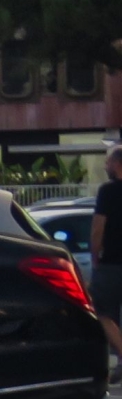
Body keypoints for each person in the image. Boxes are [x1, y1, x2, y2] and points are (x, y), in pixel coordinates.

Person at [91, 144, 122, 369]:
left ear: (117, 164)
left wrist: (95, 256)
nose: (105, 165)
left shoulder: (107, 192)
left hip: (112, 263)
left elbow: (97, 229)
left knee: (101, 312)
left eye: (108, 162)